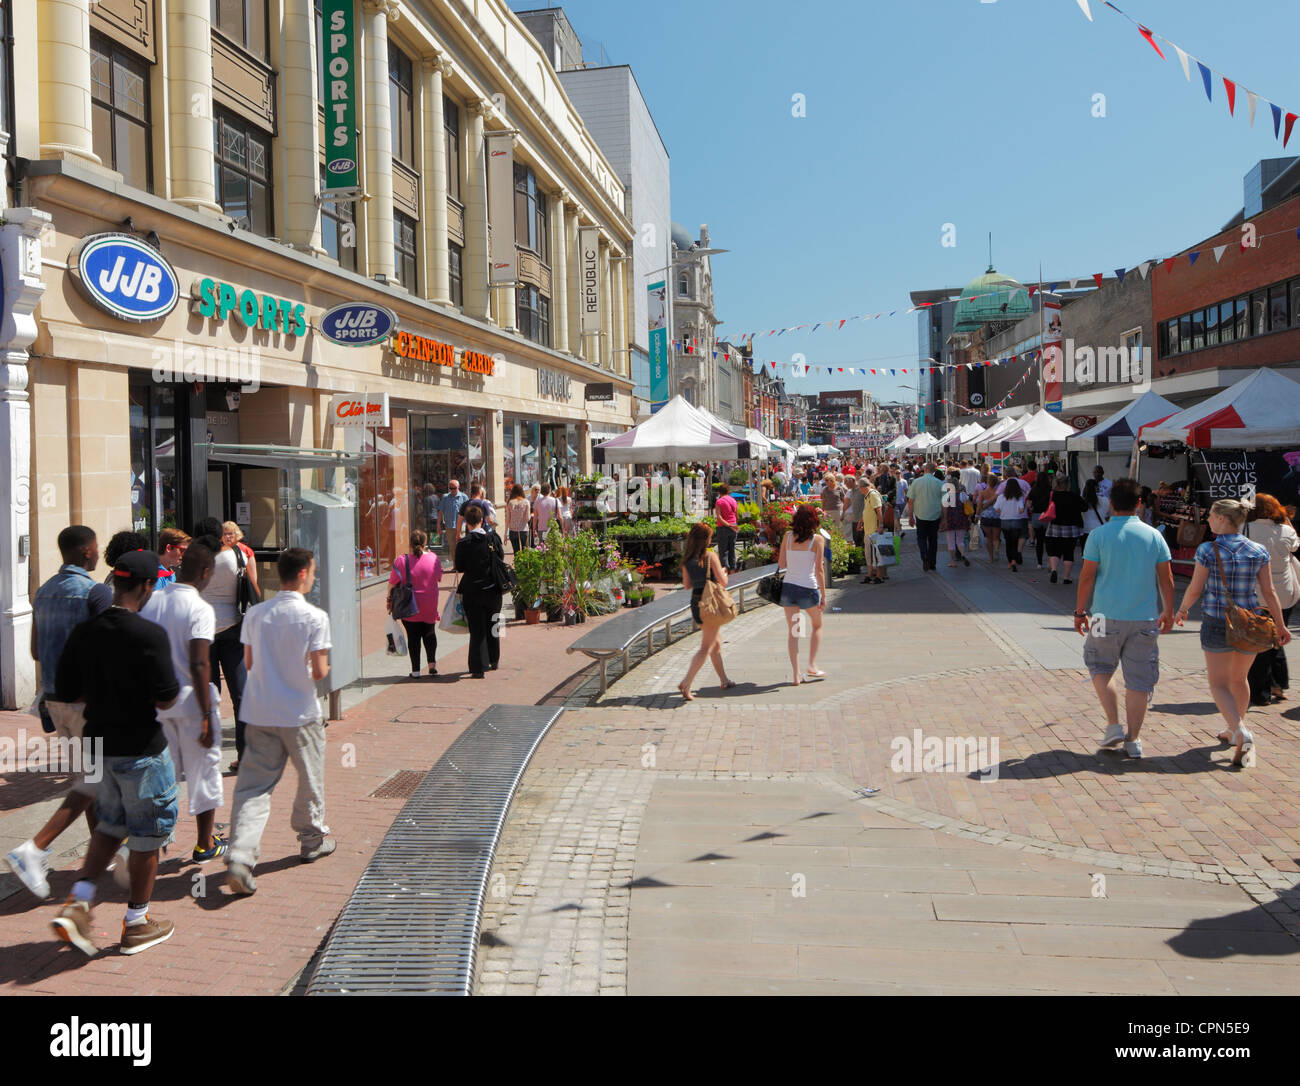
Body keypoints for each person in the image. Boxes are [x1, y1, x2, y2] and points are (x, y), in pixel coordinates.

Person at [49, 550, 181, 957]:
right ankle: (137, 924)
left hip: (99, 745)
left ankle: (80, 902)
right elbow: (167, 698)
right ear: (144, 587)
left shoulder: (85, 633)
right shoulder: (149, 635)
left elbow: (68, 691)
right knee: (146, 837)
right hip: (142, 750)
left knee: (109, 826)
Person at [6, 526, 115, 900]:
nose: (98, 554)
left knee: (90, 776)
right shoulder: (92, 592)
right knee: (95, 780)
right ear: (87, 552)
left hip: (55, 698)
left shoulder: (44, 591)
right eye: (96, 548)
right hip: (87, 700)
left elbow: (36, 650)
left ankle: (104, 851)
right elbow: (103, 651)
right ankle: (34, 849)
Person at [225, 547, 335, 896]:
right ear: (302, 574)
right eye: (313, 572)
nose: (314, 577)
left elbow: (250, 663)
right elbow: (319, 671)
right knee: (309, 777)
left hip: (259, 712)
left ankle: (241, 856)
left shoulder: (256, 614)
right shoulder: (315, 617)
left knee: (253, 788)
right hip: (300, 712)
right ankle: (311, 838)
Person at [1175, 498, 1290, 767]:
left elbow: (1195, 588)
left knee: (1218, 683)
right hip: (1249, 621)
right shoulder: (1257, 550)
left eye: (1212, 516)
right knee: (1239, 680)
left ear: (1223, 519)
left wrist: (1182, 610)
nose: (1208, 520)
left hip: (1218, 619)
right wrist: (1281, 625)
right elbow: (1269, 592)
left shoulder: (1207, 549)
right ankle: (1233, 727)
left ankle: (1239, 731)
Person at [1074, 478, 1175, 761]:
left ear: (1111, 503)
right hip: (1144, 617)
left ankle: (1113, 724)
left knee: (1099, 665)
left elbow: (1087, 577)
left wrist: (1080, 611)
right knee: (1140, 681)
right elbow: (1166, 579)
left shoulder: (1098, 536)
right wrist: (1168, 611)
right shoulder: (1154, 535)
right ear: (1139, 503)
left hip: (1104, 614)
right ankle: (1134, 739)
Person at [140, 542, 227, 862]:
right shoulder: (200, 608)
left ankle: (147, 841)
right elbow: (201, 664)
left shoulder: (151, 602)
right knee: (204, 771)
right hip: (192, 703)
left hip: (158, 704)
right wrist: (206, 714)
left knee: (163, 776)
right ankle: (205, 843)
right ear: (205, 572)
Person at [201, 522, 253, 769]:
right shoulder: (238, 554)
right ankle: (245, 756)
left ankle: (208, 757)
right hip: (234, 626)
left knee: (208, 697)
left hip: (205, 631)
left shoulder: (198, 559)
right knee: (240, 694)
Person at [1244, 493, 1300, 705]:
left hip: (1257, 592)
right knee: (1278, 635)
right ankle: (1278, 684)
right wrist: (1287, 521)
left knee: (1261, 642)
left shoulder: (1246, 529)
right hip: (1284, 592)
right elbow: (1295, 546)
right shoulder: (1285, 531)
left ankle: (1261, 692)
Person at [677, 522, 736, 700]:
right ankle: (686, 683)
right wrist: (724, 572)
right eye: (710, 537)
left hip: (697, 604)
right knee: (706, 647)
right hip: (711, 605)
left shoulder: (687, 560)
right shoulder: (711, 556)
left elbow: (687, 585)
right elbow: (723, 582)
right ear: (705, 540)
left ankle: (724, 680)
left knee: (715, 643)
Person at [778, 504, 827, 685]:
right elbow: (819, 569)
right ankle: (812, 665)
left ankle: (795, 674)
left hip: (789, 588)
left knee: (794, 632)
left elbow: (782, 563)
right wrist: (823, 595)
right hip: (808, 588)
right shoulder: (817, 540)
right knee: (817, 625)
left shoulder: (787, 537)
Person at [454, 504, 505, 678]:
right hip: (493, 589)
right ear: (482, 520)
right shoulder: (493, 539)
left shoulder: (463, 543)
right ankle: (494, 659)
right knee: (494, 625)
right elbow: (501, 557)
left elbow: (459, 567)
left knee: (476, 631)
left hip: (472, 591)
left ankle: (477, 667)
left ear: (466, 523)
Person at [389, 529, 444, 678]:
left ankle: (416, 671)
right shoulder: (433, 558)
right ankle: (432, 666)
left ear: (410, 543)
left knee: (413, 637)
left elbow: (392, 583)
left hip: (409, 605)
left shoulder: (401, 560)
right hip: (429, 603)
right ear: (425, 543)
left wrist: (389, 600)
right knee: (429, 633)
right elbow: (439, 577)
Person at [1044, 473, 1087, 585]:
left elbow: (1043, 506)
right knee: (1069, 552)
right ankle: (1066, 578)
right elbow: (1085, 507)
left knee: (1055, 551)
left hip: (1054, 527)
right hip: (1071, 528)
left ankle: (1054, 569)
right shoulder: (1074, 496)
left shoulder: (1052, 495)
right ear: (1068, 484)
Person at [906, 464, 944, 572]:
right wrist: (944, 519)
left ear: (925, 469)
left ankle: (924, 556)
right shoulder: (940, 483)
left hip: (921, 514)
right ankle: (932, 563)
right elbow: (944, 503)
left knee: (921, 538)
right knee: (933, 540)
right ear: (934, 471)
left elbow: (910, 501)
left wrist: (910, 516)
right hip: (935, 515)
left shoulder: (916, 482)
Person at [994, 477, 1028, 572]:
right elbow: (1021, 510)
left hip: (1004, 521)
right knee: (1015, 542)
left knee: (1008, 542)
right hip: (1016, 521)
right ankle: (1014, 560)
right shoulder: (1019, 497)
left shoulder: (1001, 497)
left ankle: (1010, 562)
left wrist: (1002, 512)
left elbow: (996, 509)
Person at [940, 470, 971, 567]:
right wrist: (969, 518)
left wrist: (944, 520)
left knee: (950, 541)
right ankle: (963, 554)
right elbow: (969, 507)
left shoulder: (947, 496)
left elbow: (944, 509)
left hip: (950, 520)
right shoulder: (963, 495)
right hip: (961, 520)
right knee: (960, 540)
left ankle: (953, 561)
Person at [437, 480, 468, 566]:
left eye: (454, 488)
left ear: (458, 487)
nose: (452, 490)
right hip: (449, 526)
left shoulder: (464, 497)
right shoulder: (445, 497)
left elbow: (468, 512)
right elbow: (440, 512)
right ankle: (456, 565)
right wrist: (438, 525)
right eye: (450, 488)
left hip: (461, 526)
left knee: (461, 546)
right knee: (452, 547)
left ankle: (463, 564)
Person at [1026, 473, 1053, 569]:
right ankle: (1051, 562)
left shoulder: (1034, 489)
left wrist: (1031, 509)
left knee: (1039, 540)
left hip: (1036, 516)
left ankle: (1039, 563)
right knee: (1049, 541)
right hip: (1048, 515)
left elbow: (1028, 504)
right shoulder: (1050, 489)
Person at [714, 483, 739, 572]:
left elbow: (719, 517)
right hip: (734, 526)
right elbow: (736, 515)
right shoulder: (733, 500)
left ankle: (725, 572)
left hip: (723, 527)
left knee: (723, 551)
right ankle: (733, 570)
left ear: (719, 492)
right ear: (728, 491)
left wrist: (728, 525)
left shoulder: (719, 501)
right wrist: (734, 525)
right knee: (732, 550)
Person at [1081, 477, 1110, 547]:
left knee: (1087, 555)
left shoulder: (1081, 501)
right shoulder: (1104, 500)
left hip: (1086, 530)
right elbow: (1108, 514)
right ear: (1096, 487)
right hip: (1101, 529)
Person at [505, 483, 532, 554]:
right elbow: (527, 518)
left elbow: (507, 519)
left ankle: (517, 565)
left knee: (516, 553)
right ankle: (524, 565)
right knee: (525, 552)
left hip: (513, 530)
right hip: (523, 529)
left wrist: (505, 534)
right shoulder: (526, 502)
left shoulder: (510, 502)